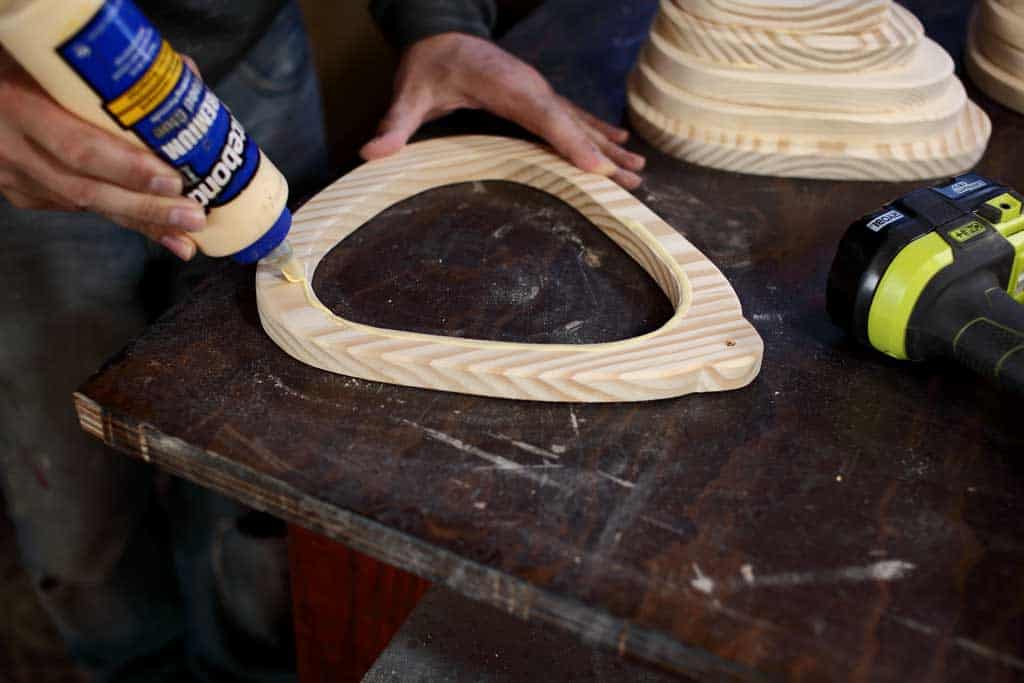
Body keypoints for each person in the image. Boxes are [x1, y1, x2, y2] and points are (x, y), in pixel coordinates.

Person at [0, 1, 645, 680]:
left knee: (253, 474)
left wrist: (441, 21)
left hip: (242, 60)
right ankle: (136, 668)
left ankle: (245, 666)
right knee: (78, 515)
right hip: (22, 135)